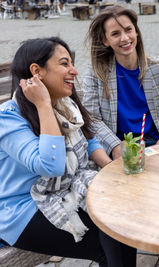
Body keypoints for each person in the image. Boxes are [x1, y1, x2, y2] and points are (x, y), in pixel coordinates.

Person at [0, 37, 137, 266]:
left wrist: (111, 168)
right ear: (37, 71)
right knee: (111, 235)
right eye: (64, 64)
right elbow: (51, 165)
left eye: (72, 63)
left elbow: (87, 139)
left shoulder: (65, 104)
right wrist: (43, 105)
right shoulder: (9, 117)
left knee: (122, 221)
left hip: (65, 190)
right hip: (22, 209)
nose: (73, 71)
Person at [83, 6, 159, 159]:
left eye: (128, 30)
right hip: (121, 144)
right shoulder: (96, 73)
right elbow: (92, 118)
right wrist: (115, 147)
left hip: (156, 142)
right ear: (105, 40)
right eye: (115, 34)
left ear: (136, 31)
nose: (125, 38)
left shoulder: (158, 67)